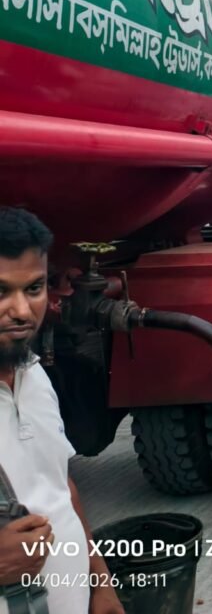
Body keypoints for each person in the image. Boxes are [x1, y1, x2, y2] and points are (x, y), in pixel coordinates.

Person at [0, 208, 124, 614]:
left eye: (33, 288)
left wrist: (99, 582)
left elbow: (61, 487)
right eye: (0, 292)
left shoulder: (35, 375)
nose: (21, 311)